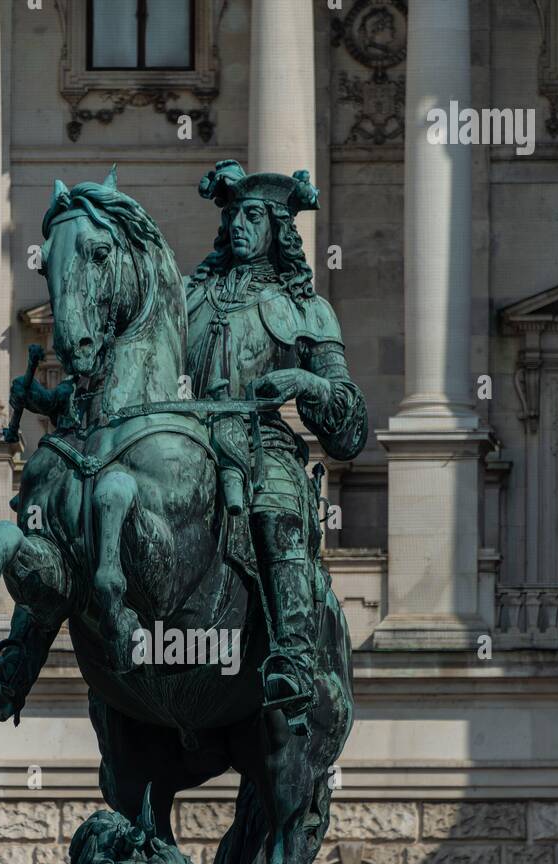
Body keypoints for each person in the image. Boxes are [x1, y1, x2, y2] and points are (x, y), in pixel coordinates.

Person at [186, 160, 368, 730]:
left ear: (278, 229)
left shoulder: (305, 310)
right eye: (233, 214)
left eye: (252, 214)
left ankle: (291, 656)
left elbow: (350, 422)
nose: (239, 223)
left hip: (264, 446)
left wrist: (305, 382)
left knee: (276, 516)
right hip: (186, 438)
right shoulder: (188, 299)